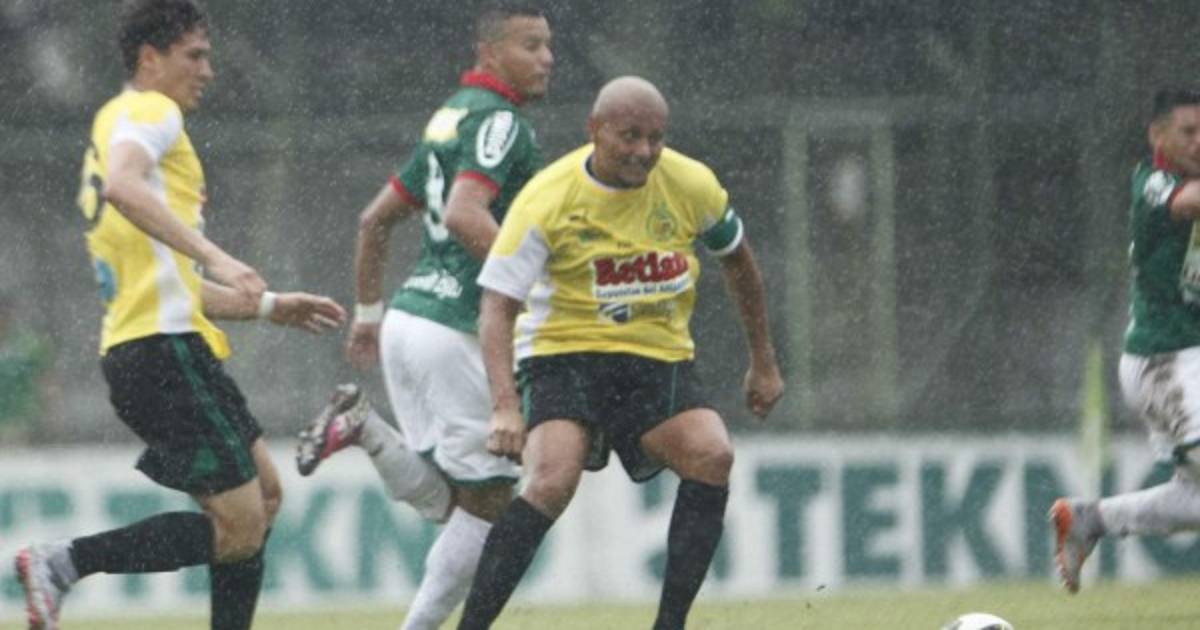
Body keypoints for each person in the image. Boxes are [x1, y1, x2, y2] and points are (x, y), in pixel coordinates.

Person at [13, 1, 346, 629]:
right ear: (150, 58)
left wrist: (268, 306)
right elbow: (124, 185)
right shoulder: (151, 111)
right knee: (240, 524)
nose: (208, 71)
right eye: (195, 55)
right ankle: (64, 562)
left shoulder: (114, 121)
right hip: (161, 352)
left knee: (263, 499)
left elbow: (175, 283)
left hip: (160, 346)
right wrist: (218, 256)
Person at [456, 76, 785, 630]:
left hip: (656, 358)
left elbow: (739, 262)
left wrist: (764, 361)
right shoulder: (547, 196)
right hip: (564, 354)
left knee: (712, 455)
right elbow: (497, 306)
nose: (644, 151)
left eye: (656, 138)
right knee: (551, 479)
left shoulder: (691, 183)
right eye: (629, 136)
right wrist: (505, 406)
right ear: (594, 130)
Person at [292, 3, 552, 628]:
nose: (547, 59)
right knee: (490, 502)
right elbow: (465, 213)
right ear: (489, 53)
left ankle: (365, 427)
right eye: (530, 45)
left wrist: (369, 312)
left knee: (452, 502)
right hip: (457, 328)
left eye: (548, 45)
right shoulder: (500, 120)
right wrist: (536, 283)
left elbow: (374, 219)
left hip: (408, 321)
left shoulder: (450, 115)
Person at [1051, 89, 1200, 594]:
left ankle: (1091, 519)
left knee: (1195, 498)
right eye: (1187, 132)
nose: (1198, 141)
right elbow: (1189, 202)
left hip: (1187, 359)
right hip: (1166, 363)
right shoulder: (1154, 182)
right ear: (1157, 135)